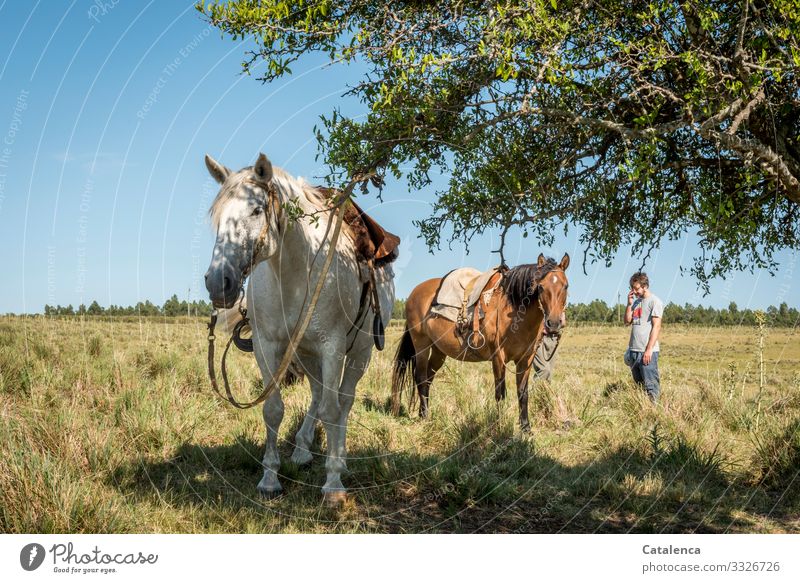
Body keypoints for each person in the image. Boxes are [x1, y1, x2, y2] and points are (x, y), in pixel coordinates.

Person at [624, 272, 663, 402]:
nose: (634, 292)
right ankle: (642, 411)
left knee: (651, 387)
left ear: (645, 286)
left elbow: (656, 327)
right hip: (634, 351)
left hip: (647, 352)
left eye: (637, 288)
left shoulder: (655, 302)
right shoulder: (635, 303)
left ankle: (655, 414)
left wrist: (649, 350)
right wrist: (629, 304)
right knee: (639, 386)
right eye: (632, 289)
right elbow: (627, 321)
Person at [532, 312, 565, 381]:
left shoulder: (560, 302)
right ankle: (536, 391)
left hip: (554, 338)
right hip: (538, 337)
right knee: (544, 370)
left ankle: (545, 391)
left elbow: (563, 322)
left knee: (549, 374)